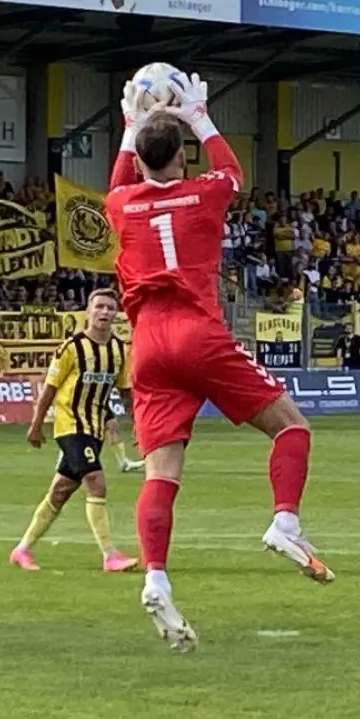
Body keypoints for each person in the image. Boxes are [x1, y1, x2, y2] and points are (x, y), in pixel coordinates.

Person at [105, 72, 331, 653]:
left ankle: (156, 577)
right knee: (292, 426)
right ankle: (284, 522)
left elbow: (119, 178)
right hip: (197, 333)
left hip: (148, 347)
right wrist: (199, 115)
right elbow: (232, 170)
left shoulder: (121, 203)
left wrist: (131, 126)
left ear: (140, 159)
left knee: (161, 475)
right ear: (183, 157)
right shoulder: (205, 193)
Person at [11, 288, 140, 573]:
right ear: (88, 311)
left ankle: (22, 549)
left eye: (110, 308)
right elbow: (49, 389)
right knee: (96, 482)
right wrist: (36, 425)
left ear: (115, 314)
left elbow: (125, 392)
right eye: (99, 307)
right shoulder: (71, 348)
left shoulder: (120, 350)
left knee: (60, 491)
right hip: (70, 425)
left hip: (94, 429)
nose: (104, 312)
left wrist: (138, 425)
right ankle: (110, 555)